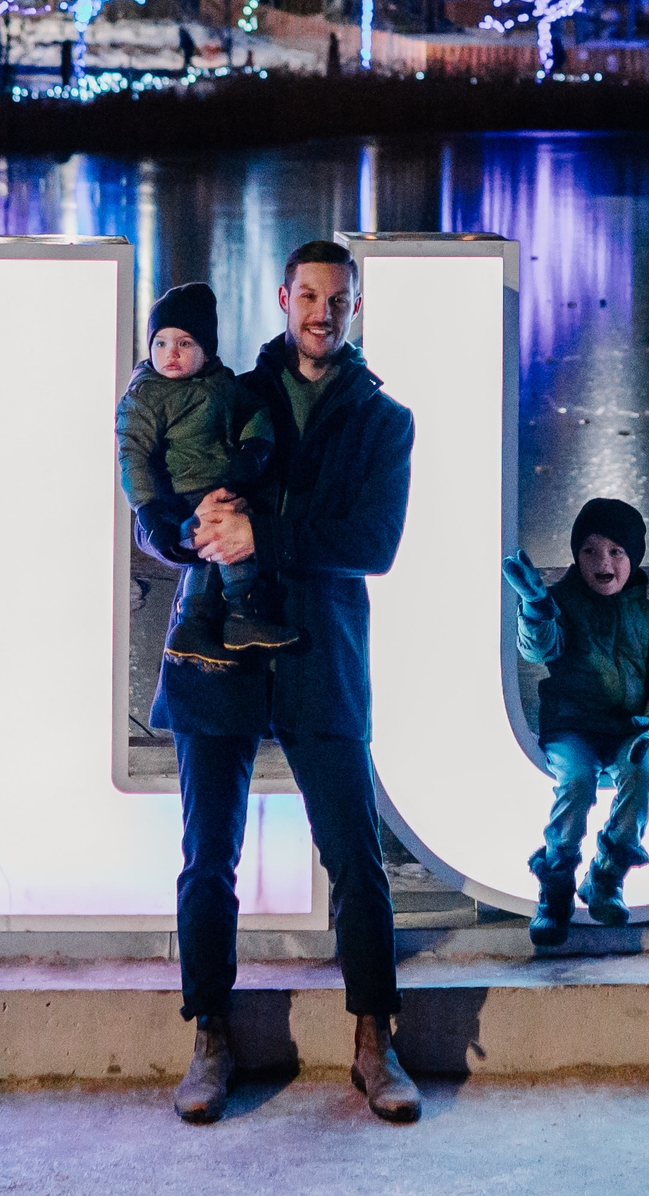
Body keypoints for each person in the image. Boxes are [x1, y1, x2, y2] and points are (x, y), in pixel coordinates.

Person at [138, 239, 419, 1127]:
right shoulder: (231, 392)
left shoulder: (385, 420)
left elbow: (373, 544)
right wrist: (193, 530)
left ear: (356, 307)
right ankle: (210, 1037)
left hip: (320, 651)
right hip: (218, 648)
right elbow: (160, 518)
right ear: (284, 298)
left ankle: (376, 1040)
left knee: (356, 860)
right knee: (206, 859)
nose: (321, 312)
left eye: (338, 299)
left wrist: (266, 536)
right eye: (308, 296)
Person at [506, 495, 649, 949]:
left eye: (616, 552)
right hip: (572, 727)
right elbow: (537, 649)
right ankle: (556, 887)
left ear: (633, 557)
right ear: (575, 555)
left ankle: (606, 876)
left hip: (629, 728)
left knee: (642, 775)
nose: (602, 562)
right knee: (578, 784)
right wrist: (535, 605)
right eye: (590, 550)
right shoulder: (561, 602)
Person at [116, 283, 297, 665]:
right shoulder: (145, 396)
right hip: (180, 495)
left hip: (221, 482)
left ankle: (215, 622)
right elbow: (132, 454)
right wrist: (149, 511)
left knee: (218, 549)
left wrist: (254, 449)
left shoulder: (222, 381)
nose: (171, 355)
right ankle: (218, 618)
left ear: (206, 349)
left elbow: (254, 411)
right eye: (160, 343)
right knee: (213, 547)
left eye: (184, 344)